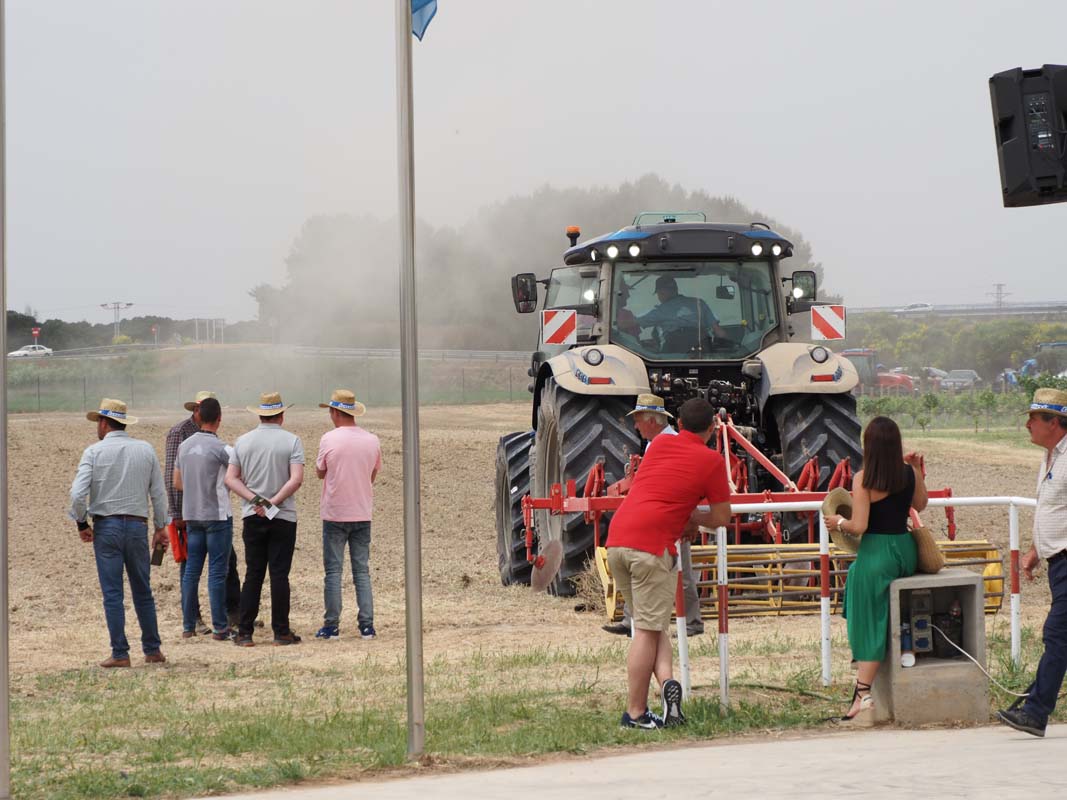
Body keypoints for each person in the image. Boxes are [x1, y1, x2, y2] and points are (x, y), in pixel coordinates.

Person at [605, 397, 732, 729]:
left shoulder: (658, 447)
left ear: (677, 420)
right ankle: (634, 714)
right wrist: (691, 515)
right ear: (713, 427)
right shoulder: (711, 460)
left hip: (618, 540)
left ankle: (667, 686)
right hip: (651, 547)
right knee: (645, 632)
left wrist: (683, 513)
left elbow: (653, 491)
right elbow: (721, 517)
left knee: (652, 625)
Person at [822, 416, 928, 722]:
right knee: (860, 586)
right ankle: (861, 692)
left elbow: (859, 526)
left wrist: (837, 522)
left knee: (866, 611)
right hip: (904, 551)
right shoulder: (909, 473)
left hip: (877, 553)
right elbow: (920, 506)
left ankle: (863, 693)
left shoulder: (864, 478)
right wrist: (919, 472)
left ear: (868, 446)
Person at [69, 398, 168, 668]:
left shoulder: (93, 452)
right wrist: (161, 527)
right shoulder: (145, 449)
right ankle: (152, 649)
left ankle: (120, 653)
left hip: (107, 527)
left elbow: (77, 494)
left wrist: (82, 524)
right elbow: (158, 494)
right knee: (142, 590)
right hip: (137, 526)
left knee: (113, 593)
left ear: (103, 423)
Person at [603, 394, 705, 637]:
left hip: (670, 518)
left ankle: (691, 622)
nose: (635, 426)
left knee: (682, 571)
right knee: (642, 568)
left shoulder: (671, 443)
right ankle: (632, 621)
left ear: (653, 420)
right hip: (655, 517)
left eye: (638, 420)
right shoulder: (654, 443)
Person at [996, 388, 1067, 737]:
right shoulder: (1052, 457)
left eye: (1034, 419)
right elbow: (1054, 511)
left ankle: (1036, 712)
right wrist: (1035, 552)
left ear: (1054, 422)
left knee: (1057, 634)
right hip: (1058, 563)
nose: (1027, 425)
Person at [225, 392, 305, 647]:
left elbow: (231, 479)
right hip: (284, 516)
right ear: (281, 415)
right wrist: (273, 501)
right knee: (279, 574)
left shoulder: (243, 441)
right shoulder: (292, 441)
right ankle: (281, 631)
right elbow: (296, 479)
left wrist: (256, 501)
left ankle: (245, 632)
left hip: (253, 515)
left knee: (253, 574)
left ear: (259, 414)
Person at [165, 391, 241, 632]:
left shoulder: (184, 446)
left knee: (191, 571)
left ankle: (189, 625)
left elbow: (176, 482)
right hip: (216, 516)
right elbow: (237, 476)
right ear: (219, 419)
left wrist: (195, 489)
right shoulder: (222, 449)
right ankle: (220, 626)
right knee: (218, 572)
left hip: (192, 515)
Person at [314, 389, 383, 641]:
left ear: (334, 412)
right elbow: (372, 475)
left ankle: (331, 625)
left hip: (334, 513)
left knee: (333, 572)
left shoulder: (328, 439)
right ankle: (367, 625)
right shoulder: (372, 440)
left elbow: (320, 472)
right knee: (361, 572)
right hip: (362, 513)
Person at [635, 275, 727, 350]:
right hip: (701, 346)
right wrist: (727, 349)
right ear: (676, 289)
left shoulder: (661, 310)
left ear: (662, 292)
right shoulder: (699, 303)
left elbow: (633, 322)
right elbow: (718, 331)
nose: (659, 297)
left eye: (659, 293)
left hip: (674, 348)